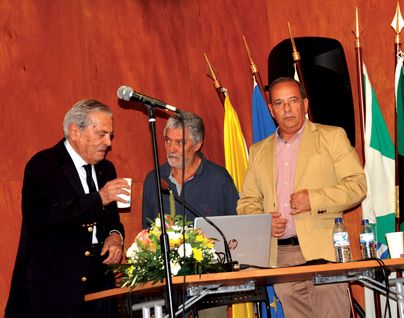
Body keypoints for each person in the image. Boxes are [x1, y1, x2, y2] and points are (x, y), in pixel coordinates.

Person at [237, 77, 367, 317]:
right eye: (279, 103)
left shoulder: (332, 136)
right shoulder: (258, 152)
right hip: (281, 258)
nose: (287, 108)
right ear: (271, 110)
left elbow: (357, 185)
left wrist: (314, 199)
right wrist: (263, 221)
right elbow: (246, 202)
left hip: (324, 251)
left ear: (305, 104)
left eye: (293, 100)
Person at [5, 100, 129, 318]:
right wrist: (98, 198)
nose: (108, 142)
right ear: (75, 131)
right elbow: (43, 218)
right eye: (101, 134)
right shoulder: (43, 165)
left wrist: (115, 236)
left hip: (99, 282)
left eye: (111, 135)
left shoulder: (106, 169)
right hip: (54, 286)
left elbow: (112, 220)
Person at [142, 111, 239, 227]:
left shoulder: (219, 179)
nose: (171, 149)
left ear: (197, 144)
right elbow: (147, 231)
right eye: (167, 140)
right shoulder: (154, 179)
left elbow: (235, 229)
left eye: (180, 143)